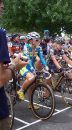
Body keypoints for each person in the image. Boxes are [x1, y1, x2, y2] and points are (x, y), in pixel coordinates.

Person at [0, 1, 26, 129]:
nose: (3, 7)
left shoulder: (20, 44)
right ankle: (19, 90)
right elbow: (0, 78)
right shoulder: (2, 35)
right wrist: (14, 65)